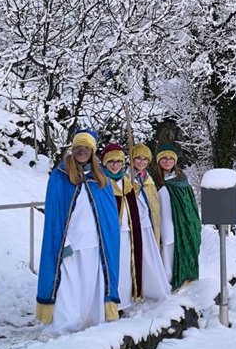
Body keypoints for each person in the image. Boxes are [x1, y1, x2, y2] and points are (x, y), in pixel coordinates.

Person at [36, 128, 120, 332]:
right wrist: (62, 241)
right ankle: (65, 323)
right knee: (68, 286)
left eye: (86, 148)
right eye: (78, 147)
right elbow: (54, 213)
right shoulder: (61, 175)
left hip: (95, 243)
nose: (82, 151)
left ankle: (91, 320)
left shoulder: (101, 177)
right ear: (72, 149)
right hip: (70, 243)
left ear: (92, 151)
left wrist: (106, 240)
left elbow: (109, 215)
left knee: (91, 284)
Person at [152, 143, 201, 290]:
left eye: (170, 158)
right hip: (162, 221)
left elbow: (189, 203)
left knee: (181, 246)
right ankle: (166, 281)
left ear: (175, 160)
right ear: (158, 160)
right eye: (164, 158)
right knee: (167, 248)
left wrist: (190, 221)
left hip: (182, 221)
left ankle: (184, 276)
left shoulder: (181, 179)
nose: (167, 161)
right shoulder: (153, 180)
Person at [101, 142, 143, 311]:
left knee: (126, 268)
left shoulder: (126, 182)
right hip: (111, 234)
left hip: (128, 232)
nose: (115, 165)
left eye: (118, 161)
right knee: (112, 267)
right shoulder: (102, 181)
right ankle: (110, 303)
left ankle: (123, 301)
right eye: (111, 162)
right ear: (105, 163)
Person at [130, 142, 171, 300]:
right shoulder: (127, 177)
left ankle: (151, 287)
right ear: (132, 159)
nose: (141, 162)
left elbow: (153, 204)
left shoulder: (148, 179)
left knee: (149, 257)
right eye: (138, 158)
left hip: (147, 224)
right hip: (133, 226)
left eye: (145, 159)